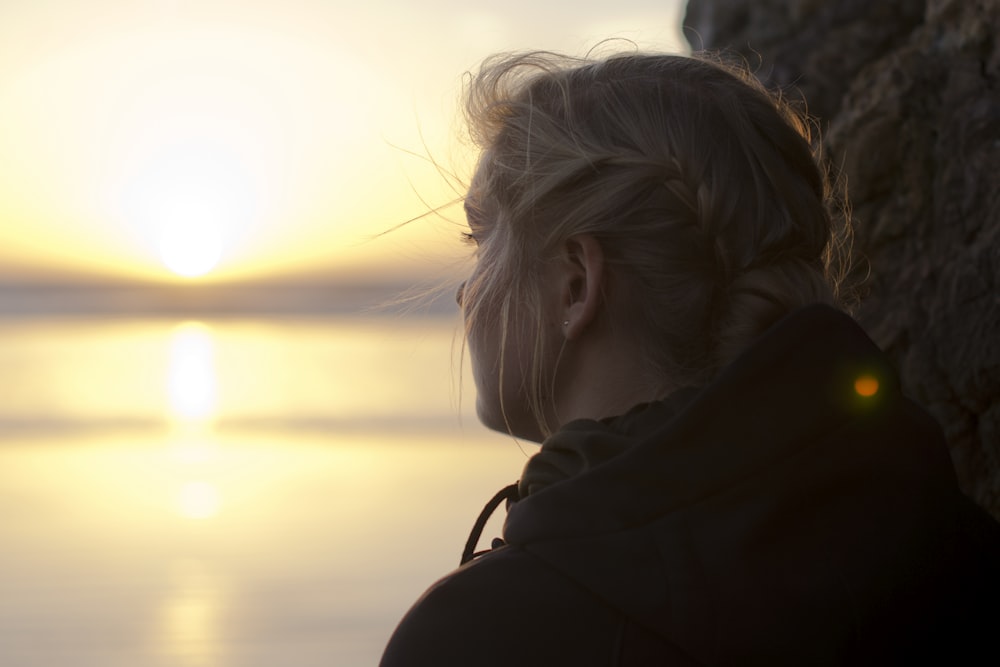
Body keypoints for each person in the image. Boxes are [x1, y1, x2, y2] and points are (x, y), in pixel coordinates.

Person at [380, 49, 1000, 666]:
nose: (467, 290)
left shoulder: (479, 638)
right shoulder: (959, 550)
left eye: (481, 240)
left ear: (575, 284)